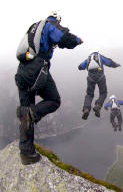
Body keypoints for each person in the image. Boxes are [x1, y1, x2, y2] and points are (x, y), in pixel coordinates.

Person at [15, 11, 83, 165]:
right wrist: (78, 40)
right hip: (37, 69)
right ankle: (31, 113)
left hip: (22, 71)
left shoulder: (34, 28)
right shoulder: (50, 25)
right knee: (54, 100)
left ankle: (26, 154)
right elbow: (64, 38)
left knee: (25, 108)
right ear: (57, 19)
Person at [78, 51, 120, 119]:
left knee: (89, 94)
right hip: (100, 77)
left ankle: (86, 109)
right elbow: (109, 62)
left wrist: (83, 67)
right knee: (103, 93)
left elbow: (80, 67)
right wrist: (116, 65)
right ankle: (98, 106)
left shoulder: (88, 59)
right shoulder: (100, 56)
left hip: (90, 77)